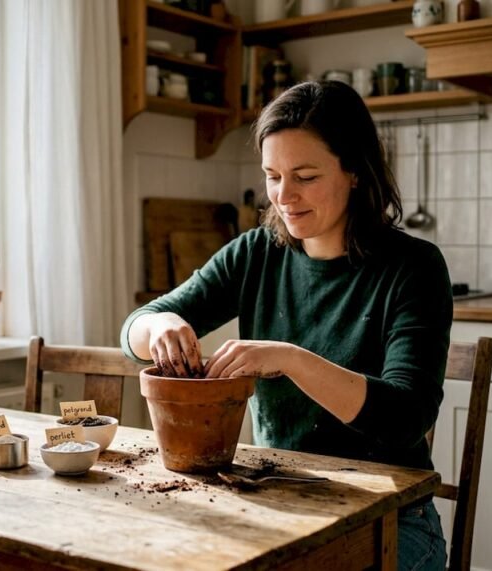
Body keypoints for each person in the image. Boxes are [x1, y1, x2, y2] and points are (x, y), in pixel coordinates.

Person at [120, 80, 451, 571]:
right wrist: (161, 323)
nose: (284, 195)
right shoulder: (256, 252)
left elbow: (406, 418)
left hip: (392, 517)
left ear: (355, 171)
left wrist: (291, 359)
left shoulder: (414, 267)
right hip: (280, 498)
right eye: (272, 176)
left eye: (305, 176)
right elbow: (134, 331)